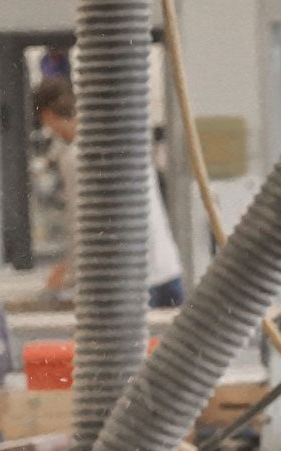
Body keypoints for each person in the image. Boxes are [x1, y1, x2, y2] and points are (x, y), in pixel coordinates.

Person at [32, 78, 186, 308]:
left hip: (129, 282)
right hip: (167, 269)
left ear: (48, 116)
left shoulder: (76, 156)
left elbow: (82, 225)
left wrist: (67, 277)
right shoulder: (125, 139)